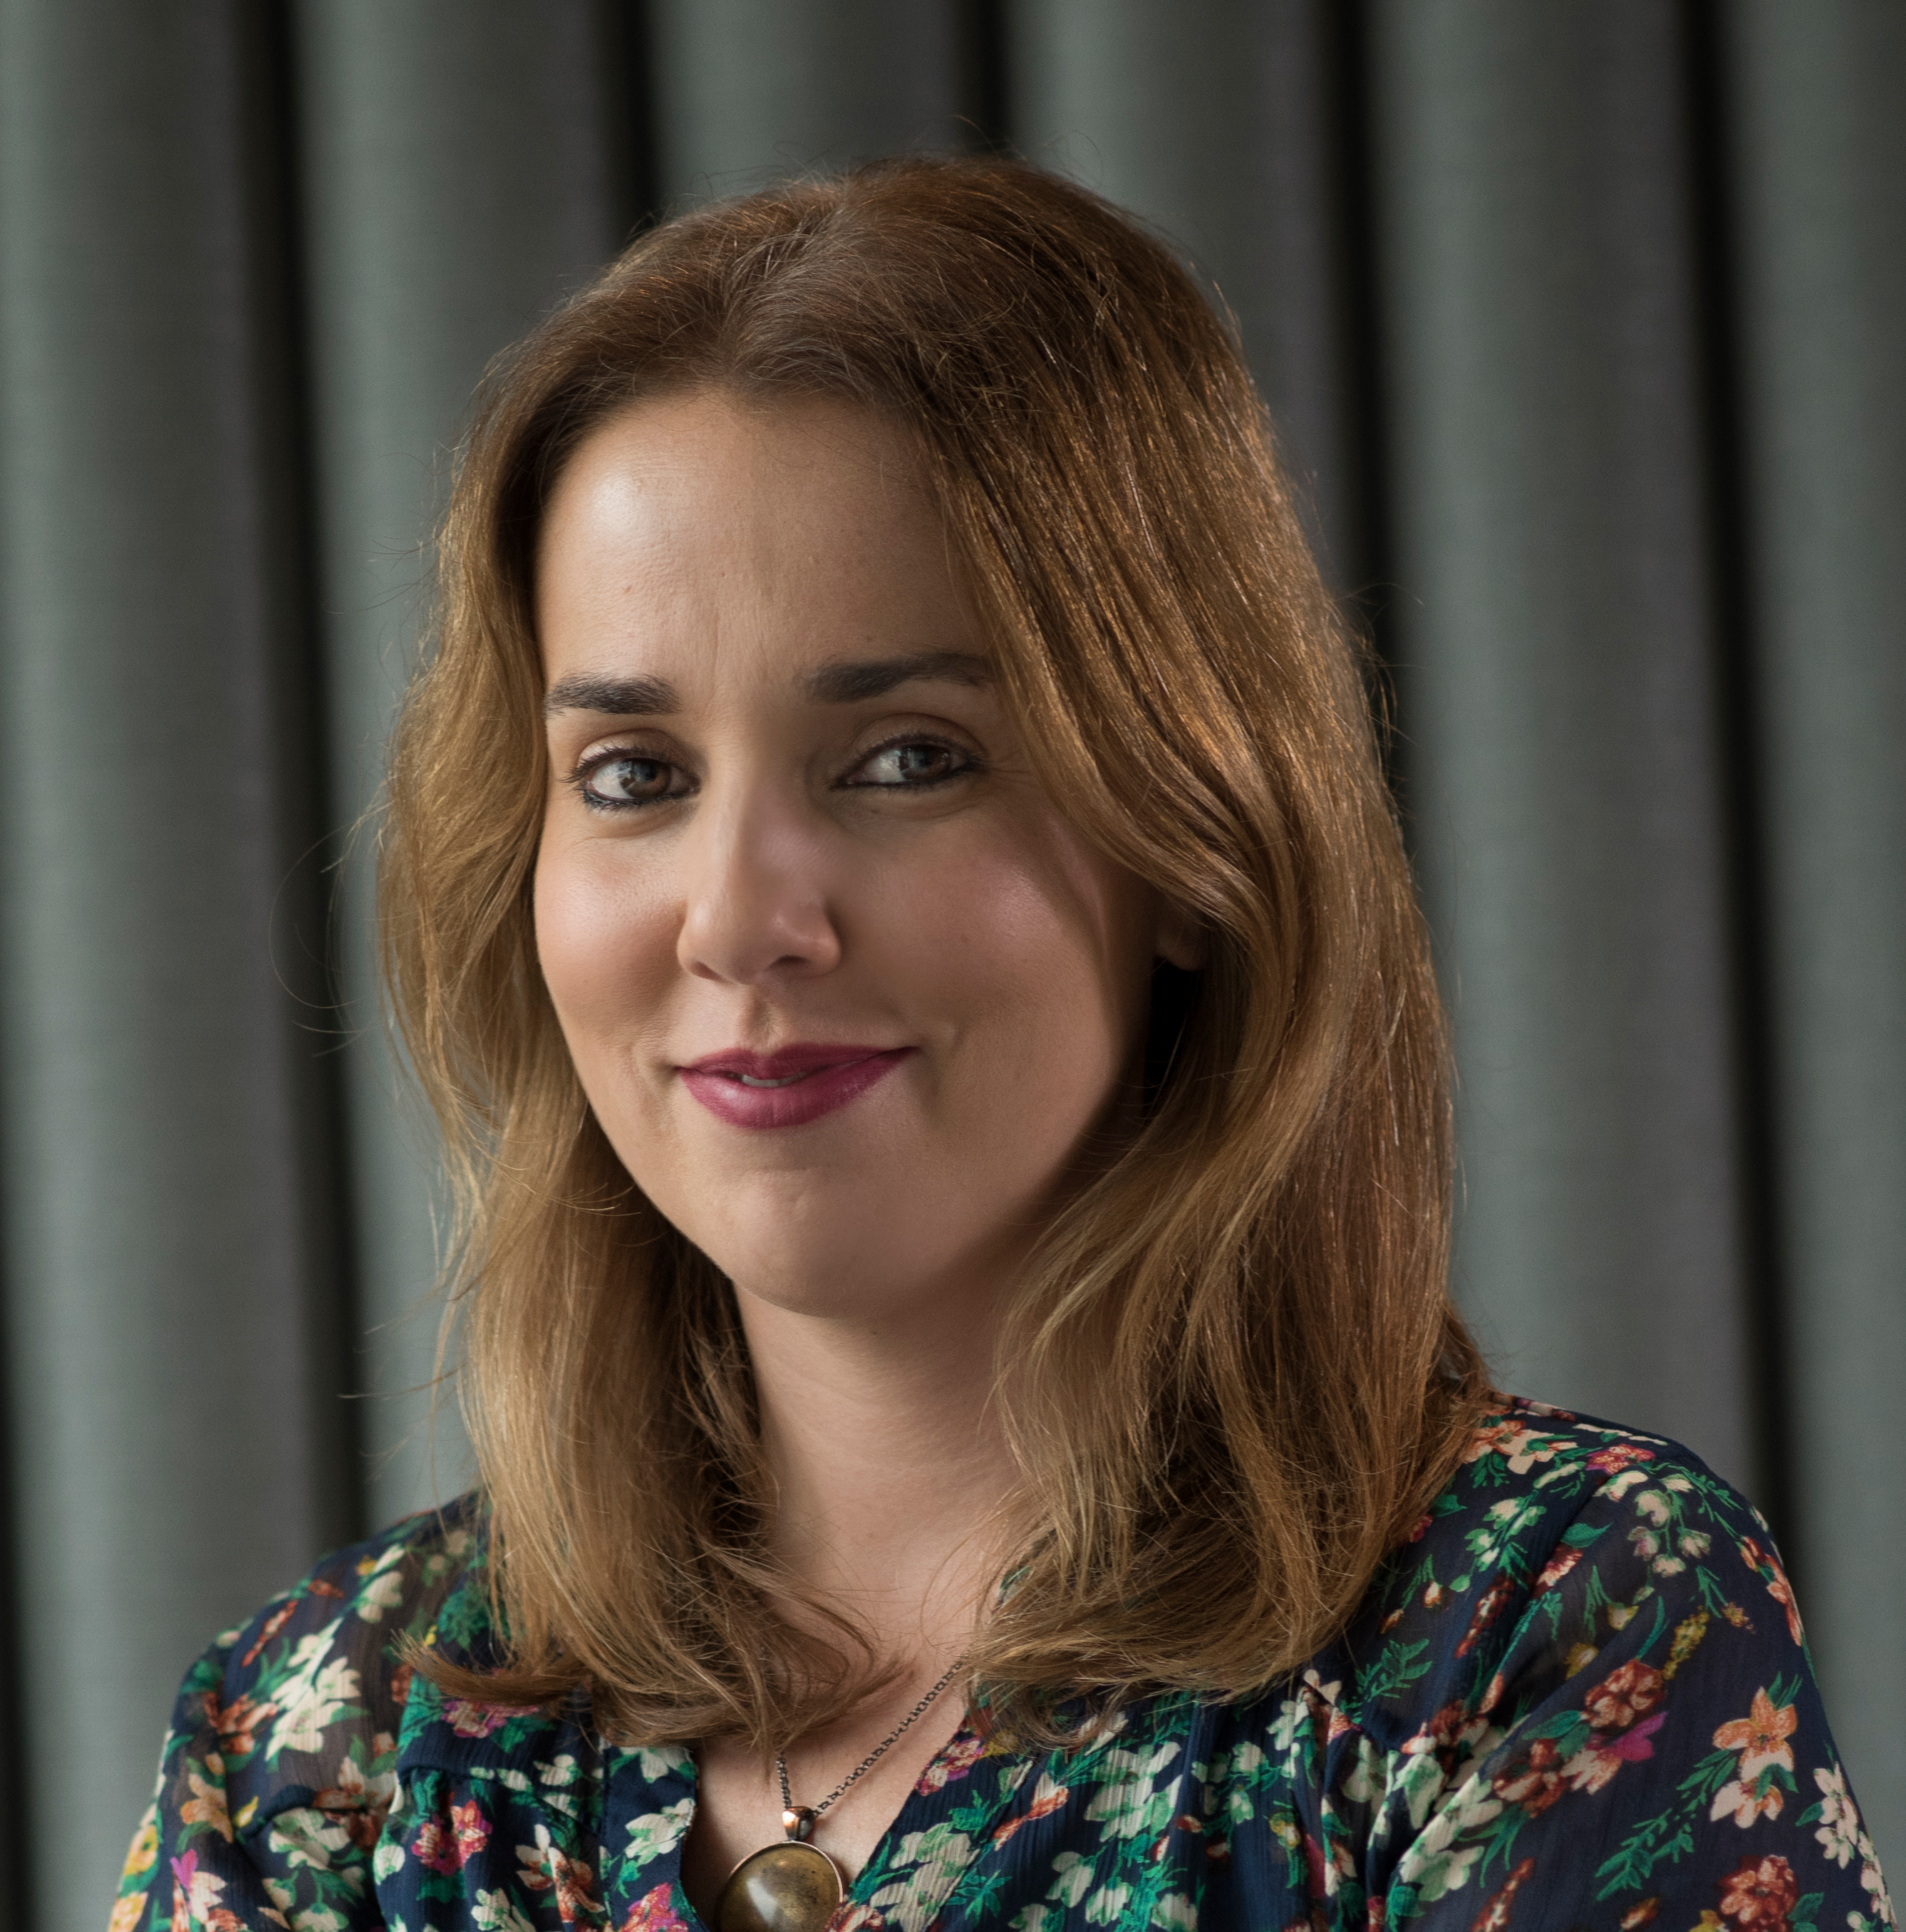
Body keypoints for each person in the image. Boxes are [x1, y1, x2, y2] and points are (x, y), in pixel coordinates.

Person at [113, 156, 1888, 1932]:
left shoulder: (1545, 1631)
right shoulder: (313, 1752)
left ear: (1192, 844)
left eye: (908, 759)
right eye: (634, 776)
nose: (738, 918)